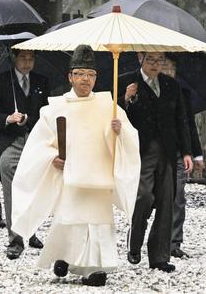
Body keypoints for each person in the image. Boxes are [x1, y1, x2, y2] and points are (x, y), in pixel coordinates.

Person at [10, 44, 140, 287]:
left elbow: (130, 140)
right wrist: (52, 158)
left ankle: (95, 269)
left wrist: (119, 132)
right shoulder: (55, 108)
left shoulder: (108, 105)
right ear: (70, 77)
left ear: (96, 78)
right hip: (71, 175)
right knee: (71, 220)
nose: (85, 80)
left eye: (90, 75)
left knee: (98, 223)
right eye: (80, 74)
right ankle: (65, 256)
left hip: (99, 177)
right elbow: (39, 145)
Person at [119, 52, 192, 272]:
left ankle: (159, 256)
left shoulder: (171, 85)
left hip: (168, 150)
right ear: (140, 58)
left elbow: (181, 119)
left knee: (166, 200)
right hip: (140, 150)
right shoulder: (126, 81)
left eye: (159, 60)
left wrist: (187, 152)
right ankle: (135, 240)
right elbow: (115, 116)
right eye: (150, 59)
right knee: (143, 196)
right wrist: (126, 100)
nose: (155, 65)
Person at [0, 49, 49, 258]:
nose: (27, 63)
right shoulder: (2, 81)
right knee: (9, 177)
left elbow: (47, 111)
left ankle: (32, 229)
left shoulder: (41, 82)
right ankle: (15, 239)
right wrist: (7, 119)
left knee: (35, 186)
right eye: (23, 58)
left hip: (36, 140)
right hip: (11, 140)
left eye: (31, 58)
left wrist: (30, 118)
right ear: (14, 59)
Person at [159, 56, 204, 259]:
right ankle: (143, 236)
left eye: (171, 68)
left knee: (177, 197)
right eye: (164, 67)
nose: (167, 71)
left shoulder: (182, 95)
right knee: (148, 198)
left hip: (177, 152)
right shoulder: (146, 90)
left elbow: (189, 126)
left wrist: (196, 153)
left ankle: (173, 242)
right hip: (152, 153)